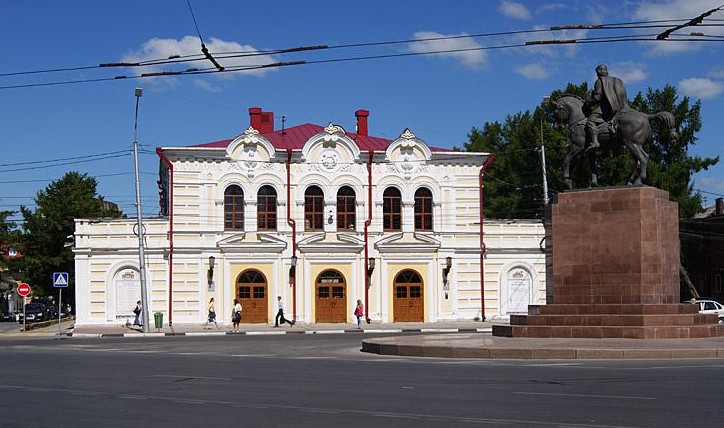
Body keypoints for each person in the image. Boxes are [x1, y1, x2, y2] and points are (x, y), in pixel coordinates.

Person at [585, 64, 629, 149]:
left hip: (606, 108)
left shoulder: (599, 81)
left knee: (590, 120)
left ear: (598, 72)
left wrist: (589, 101)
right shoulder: (616, 80)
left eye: (597, 72)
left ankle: (595, 142)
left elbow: (598, 97)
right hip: (620, 107)